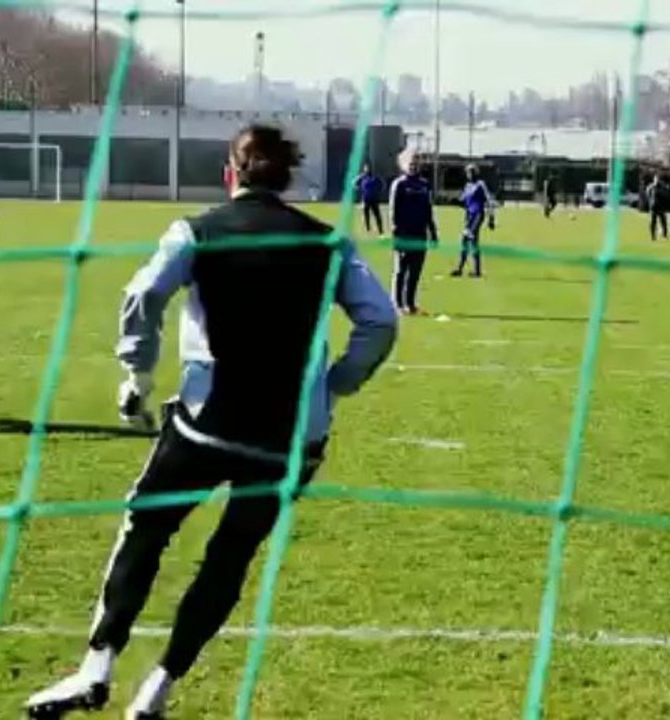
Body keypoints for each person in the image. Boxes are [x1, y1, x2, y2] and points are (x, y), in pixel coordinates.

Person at [24, 124, 398, 720]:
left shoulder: (195, 231)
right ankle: (156, 692)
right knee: (231, 556)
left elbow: (143, 295)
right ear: (286, 179)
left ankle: (96, 666)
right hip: (290, 439)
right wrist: (337, 384)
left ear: (232, 172)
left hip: (205, 425)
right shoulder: (331, 243)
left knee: (145, 527)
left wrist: (137, 376)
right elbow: (380, 320)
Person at [388, 148, 437, 315]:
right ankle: (397, 304)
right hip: (404, 234)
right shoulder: (399, 184)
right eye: (410, 163)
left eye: (416, 163)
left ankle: (410, 304)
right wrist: (396, 233)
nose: (413, 166)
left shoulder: (424, 185)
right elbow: (393, 211)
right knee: (401, 270)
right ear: (403, 165)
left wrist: (433, 233)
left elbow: (428, 211)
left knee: (415, 271)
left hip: (420, 234)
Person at [451, 163, 495, 278]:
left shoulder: (481, 184)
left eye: (471, 172)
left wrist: (491, 218)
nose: (469, 174)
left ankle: (476, 270)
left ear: (475, 173)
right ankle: (460, 269)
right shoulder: (467, 186)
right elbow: (464, 202)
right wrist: (455, 201)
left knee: (472, 239)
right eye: (467, 172)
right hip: (469, 217)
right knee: (465, 241)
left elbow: (489, 201)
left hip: (478, 215)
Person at [354, 162, 385, 235]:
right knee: (366, 215)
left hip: (374, 199)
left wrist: (378, 191)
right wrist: (359, 188)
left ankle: (380, 230)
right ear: (364, 169)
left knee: (377, 215)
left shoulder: (375, 177)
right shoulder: (362, 177)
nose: (367, 169)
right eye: (366, 167)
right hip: (365, 199)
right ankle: (368, 229)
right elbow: (354, 183)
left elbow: (382, 185)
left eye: (368, 167)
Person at [646, 173, 670, 241]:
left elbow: (666, 195)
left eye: (658, 179)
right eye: (656, 179)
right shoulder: (651, 187)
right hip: (653, 207)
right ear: (654, 179)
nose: (657, 180)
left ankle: (665, 235)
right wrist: (651, 202)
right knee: (653, 222)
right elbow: (647, 194)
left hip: (661, 207)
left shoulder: (662, 187)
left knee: (663, 221)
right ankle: (653, 236)